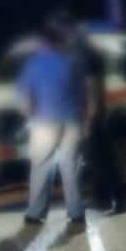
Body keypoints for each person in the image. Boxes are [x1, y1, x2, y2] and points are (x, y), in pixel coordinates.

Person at [18, 12, 89, 226]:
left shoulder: (33, 65)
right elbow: (83, 93)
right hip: (72, 121)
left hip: (44, 122)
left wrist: (28, 116)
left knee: (41, 166)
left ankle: (36, 212)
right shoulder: (72, 62)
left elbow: (26, 97)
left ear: (41, 42)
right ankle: (76, 212)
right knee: (71, 167)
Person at [75, 22, 126, 215]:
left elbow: (92, 88)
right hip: (97, 114)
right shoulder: (91, 55)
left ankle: (115, 199)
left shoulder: (88, 57)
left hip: (94, 116)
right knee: (100, 159)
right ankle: (105, 198)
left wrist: (89, 118)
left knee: (101, 160)